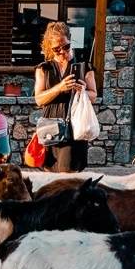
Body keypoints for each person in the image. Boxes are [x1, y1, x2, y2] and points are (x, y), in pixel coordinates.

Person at [34, 22, 97, 172]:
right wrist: (59, 88)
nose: (62, 51)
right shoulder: (44, 68)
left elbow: (93, 95)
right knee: (49, 172)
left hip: (74, 126)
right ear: (50, 49)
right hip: (50, 127)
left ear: (70, 41)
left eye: (66, 46)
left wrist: (82, 91)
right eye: (57, 49)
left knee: (68, 174)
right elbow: (39, 99)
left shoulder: (84, 66)